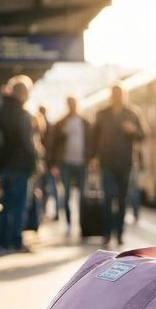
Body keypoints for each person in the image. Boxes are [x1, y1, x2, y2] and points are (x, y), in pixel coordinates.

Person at [89, 85, 146, 247]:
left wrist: (133, 130)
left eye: (120, 94)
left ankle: (120, 233)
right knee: (108, 197)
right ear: (111, 96)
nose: (117, 97)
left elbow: (143, 135)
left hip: (125, 162)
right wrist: (93, 157)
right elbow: (93, 137)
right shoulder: (102, 114)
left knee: (122, 199)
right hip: (106, 162)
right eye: (114, 94)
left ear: (124, 95)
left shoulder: (132, 113)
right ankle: (106, 233)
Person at [0, 75, 37, 251]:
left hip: (3, 166)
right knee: (19, 205)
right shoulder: (22, 114)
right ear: (24, 94)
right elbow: (27, 142)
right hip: (20, 165)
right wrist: (34, 161)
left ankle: (3, 241)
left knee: (6, 204)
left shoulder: (0, 111)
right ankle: (16, 241)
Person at [48, 96, 92, 236]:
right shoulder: (61, 123)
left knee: (83, 195)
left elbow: (92, 141)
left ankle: (83, 223)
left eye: (74, 104)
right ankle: (68, 222)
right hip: (65, 162)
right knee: (65, 193)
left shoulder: (85, 122)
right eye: (70, 104)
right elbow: (54, 144)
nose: (72, 106)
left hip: (82, 162)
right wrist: (53, 164)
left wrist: (92, 159)